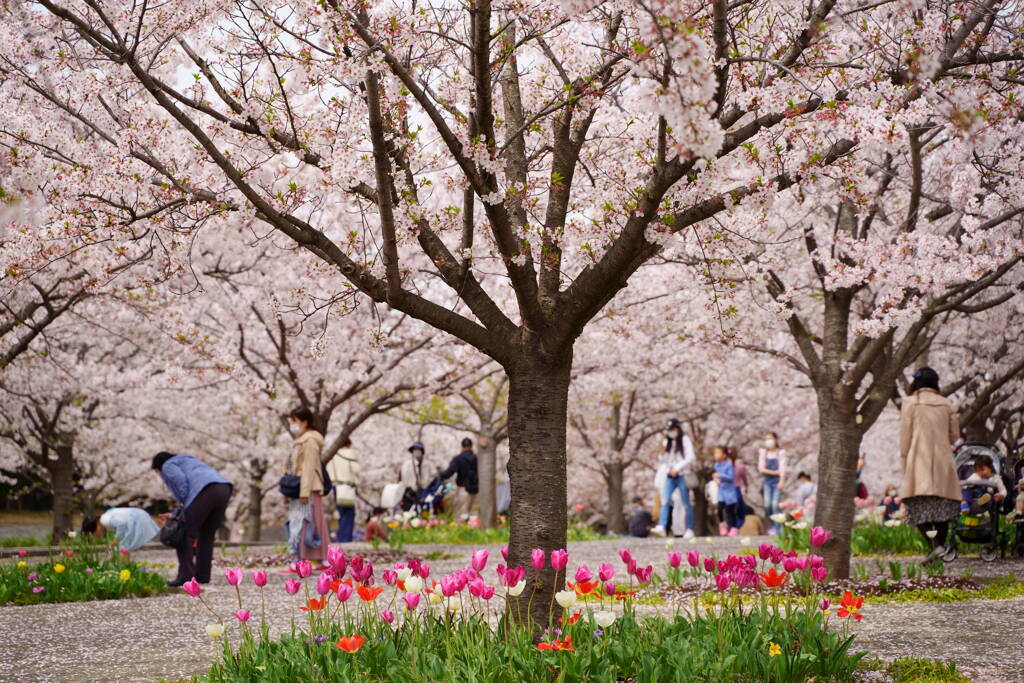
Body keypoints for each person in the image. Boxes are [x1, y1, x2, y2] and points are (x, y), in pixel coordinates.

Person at [899, 367, 962, 561]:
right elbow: (956, 437)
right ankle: (939, 546)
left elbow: (905, 438)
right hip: (943, 462)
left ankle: (934, 546)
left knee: (917, 508)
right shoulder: (946, 404)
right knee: (943, 509)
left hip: (919, 461)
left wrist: (904, 462)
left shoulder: (910, 403)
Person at [151, 452, 232, 587]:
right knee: (207, 535)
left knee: (185, 534)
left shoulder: (168, 465)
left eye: (157, 471)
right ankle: (202, 576)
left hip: (204, 490)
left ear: (158, 466)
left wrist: (179, 513)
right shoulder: (188, 459)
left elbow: (182, 486)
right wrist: (179, 512)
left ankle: (186, 577)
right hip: (224, 488)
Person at [288, 407, 329, 564]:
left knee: (307, 522)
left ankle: (308, 558)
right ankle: (311, 558)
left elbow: (308, 468)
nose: (293, 424)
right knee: (302, 522)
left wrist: (304, 492)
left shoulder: (310, 441)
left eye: (295, 421)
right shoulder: (301, 440)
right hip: (300, 488)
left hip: (308, 488)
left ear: (305, 422)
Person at [651, 419, 697, 539]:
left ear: (678, 429)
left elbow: (690, 457)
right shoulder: (667, 442)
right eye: (669, 430)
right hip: (670, 476)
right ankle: (662, 525)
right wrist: (661, 453)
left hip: (682, 475)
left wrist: (677, 468)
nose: (671, 432)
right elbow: (665, 461)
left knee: (686, 502)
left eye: (673, 430)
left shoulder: (685, 440)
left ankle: (689, 528)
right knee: (665, 500)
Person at [81, 508, 160, 554]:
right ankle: (125, 568)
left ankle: (124, 569)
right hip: (138, 516)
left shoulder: (104, 520)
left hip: (136, 520)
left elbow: (121, 525)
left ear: (95, 527)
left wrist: (114, 542)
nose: (96, 536)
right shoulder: (105, 517)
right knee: (124, 547)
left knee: (122, 548)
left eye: (94, 534)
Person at [326, 438, 360, 543]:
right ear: (349, 444)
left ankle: (341, 537)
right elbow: (356, 469)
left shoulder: (332, 455)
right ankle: (346, 538)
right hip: (347, 486)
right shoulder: (349, 453)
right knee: (349, 513)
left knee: (341, 512)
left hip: (336, 486)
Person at [439, 437, 479, 521]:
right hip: (476, 490)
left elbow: (449, 473)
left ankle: (460, 532)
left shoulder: (458, 459)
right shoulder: (477, 459)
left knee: (460, 515)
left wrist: (440, 475)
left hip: (463, 489)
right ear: (471, 446)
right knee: (474, 516)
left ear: (462, 447)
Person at [757, 432, 787, 534]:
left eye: (770, 438)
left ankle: (779, 528)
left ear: (776, 439)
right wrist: (774, 472)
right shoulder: (763, 453)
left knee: (775, 505)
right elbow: (761, 469)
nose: (768, 441)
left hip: (777, 482)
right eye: (766, 439)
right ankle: (774, 525)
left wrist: (782, 480)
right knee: (767, 505)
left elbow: (782, 468)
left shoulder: (780, 453)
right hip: (767, 482)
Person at [712, 446, 740, 536]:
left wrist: (720, 475)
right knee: (719, 508)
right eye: (715, 453)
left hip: (729, 491)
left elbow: (730, 477)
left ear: (724, 455)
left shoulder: (728, 464)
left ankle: (733, 527)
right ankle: (722, 525)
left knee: (730, 510)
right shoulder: (716, 465)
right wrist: (716, 479)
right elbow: (716, 477)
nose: (715, 455)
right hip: (721, 490)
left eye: (717, 453)